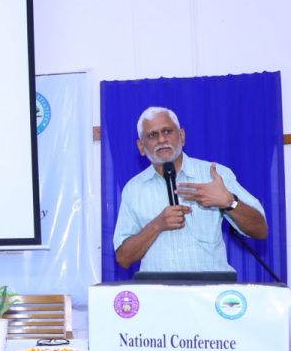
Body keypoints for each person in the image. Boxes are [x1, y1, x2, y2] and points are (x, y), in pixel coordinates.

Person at [114, 106, 268, 272]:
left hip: (211, 287)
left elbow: (260, 230)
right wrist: (157, 225)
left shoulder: (214, 175)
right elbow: (123, 258)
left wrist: (229, 202)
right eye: (152, 135)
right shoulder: (134, 189)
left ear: (182, 136)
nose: (161, 140)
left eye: (167, 131)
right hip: (159, 288)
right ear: (141, 147)